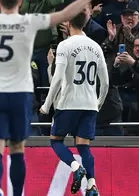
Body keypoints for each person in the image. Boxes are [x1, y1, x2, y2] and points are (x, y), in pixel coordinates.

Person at [0, 0, 105, 195]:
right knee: (17, 150)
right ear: (20, 2)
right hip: (21, 94)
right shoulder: (29, 22)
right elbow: (66, 14)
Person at [40, 12, 109, 196]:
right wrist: (98, 103)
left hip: (69, 103)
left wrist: (47, 105)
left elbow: (57, 78)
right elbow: (106, 82)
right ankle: (92, 185)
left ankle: (76, 167)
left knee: (56, 141)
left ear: (68, 23)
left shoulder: (65, 45)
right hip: (89, 105)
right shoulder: (96, 46)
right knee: (83, 146)